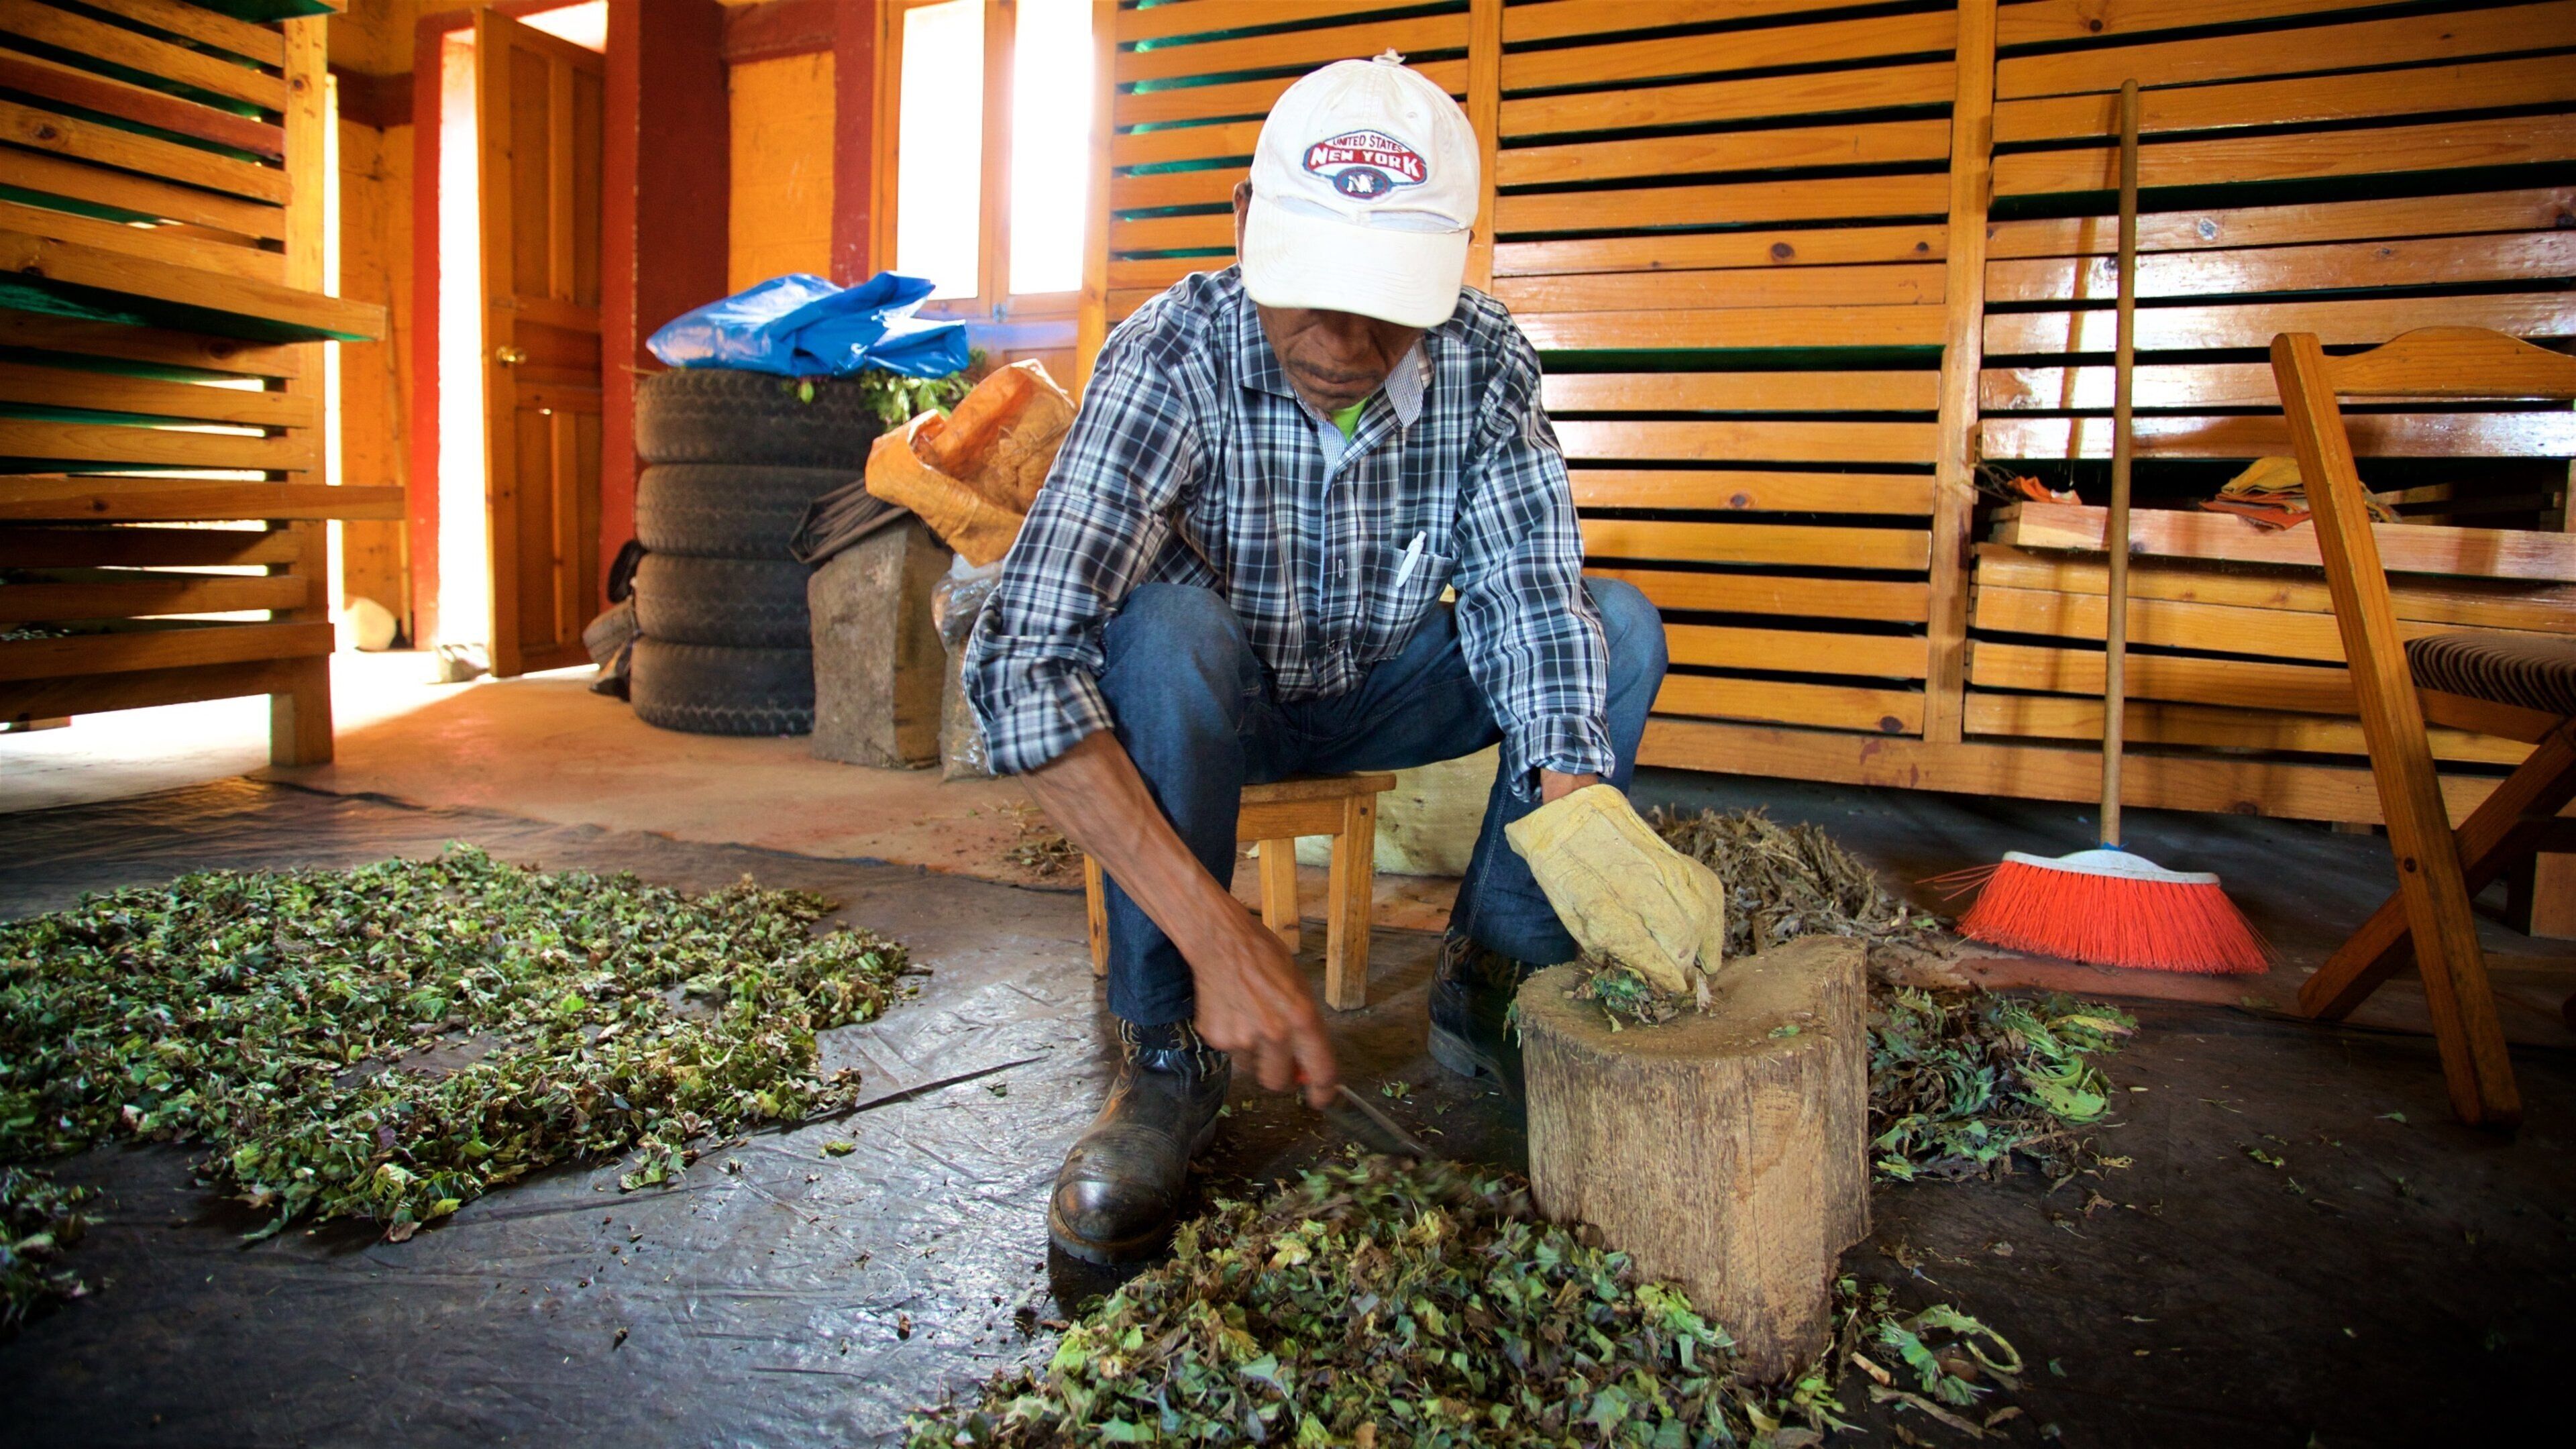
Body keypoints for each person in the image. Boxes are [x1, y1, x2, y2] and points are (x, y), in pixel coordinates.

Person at [965, 52, 1721, 1266]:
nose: (1342, 338)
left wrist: (1578, 815)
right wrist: (1221, 938)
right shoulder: (1174, 354)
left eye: (1386, 300)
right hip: (1220, 700)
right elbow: (1021, 661)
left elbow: (1528, 593)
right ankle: (1166, 1051)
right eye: (1311, 288)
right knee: (1160, 634)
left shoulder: (1482, 360)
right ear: (1246, 224)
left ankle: (1493, 982)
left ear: (1447, 273)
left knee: (1614, 627)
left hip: (1384, 683)